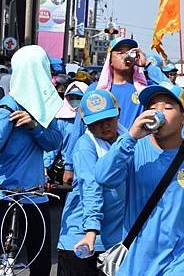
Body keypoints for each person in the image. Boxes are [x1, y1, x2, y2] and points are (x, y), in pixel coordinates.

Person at [95, 81, 184, 275]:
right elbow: (103, 177)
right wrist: (130, 136)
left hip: (180, 258)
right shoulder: (133, 149)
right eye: (153, 108)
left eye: (168, 107)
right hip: (136, 260)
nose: (158, 112)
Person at [62, 37, 168, 185]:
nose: (126, 56)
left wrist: (148, 65)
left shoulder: (145, 90)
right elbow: (80, 126)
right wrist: (69, 165)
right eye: (119, 52)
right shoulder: (96, 90)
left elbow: (172, 94)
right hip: (100, 158)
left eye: (129, 52)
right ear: (109, 59)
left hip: (135, 159)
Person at [0, 45, 63, 276]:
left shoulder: (45, 107)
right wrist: (8, 120)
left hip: (36, 197)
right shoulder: (7, 106)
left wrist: (34, 126)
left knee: (41, 264)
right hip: (5, 196)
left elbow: (54, 141)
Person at [57, 89, 125, 276]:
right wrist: (91, 231)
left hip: (115, 239)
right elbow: (91, 187)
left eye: (108, 119)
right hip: (81, 237)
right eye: (96, 123)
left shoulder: (128, 141)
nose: (104, 126)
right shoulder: (86, 145)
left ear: (118, 112)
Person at [44, 81, 88, 185]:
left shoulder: (90, 119)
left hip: (86, 165)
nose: (74, 101)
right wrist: (45, 166)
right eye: (71, 97)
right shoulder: (60, 118)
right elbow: (54, 145)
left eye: (78, 98)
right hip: (65, 169)